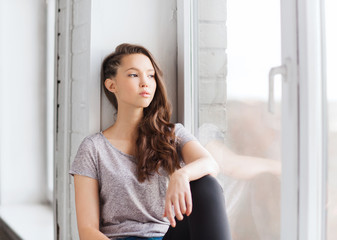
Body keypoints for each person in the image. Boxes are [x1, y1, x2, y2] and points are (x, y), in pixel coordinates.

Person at [69, 43, 231, 240]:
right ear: (112, 85)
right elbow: (87, 230)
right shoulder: (93, 148)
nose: (145, 82)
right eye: (133, 75)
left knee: (206, 185)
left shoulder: (172, 134)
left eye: (150, 75)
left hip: (166, 236)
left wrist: (182, 175)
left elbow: (210, 164)